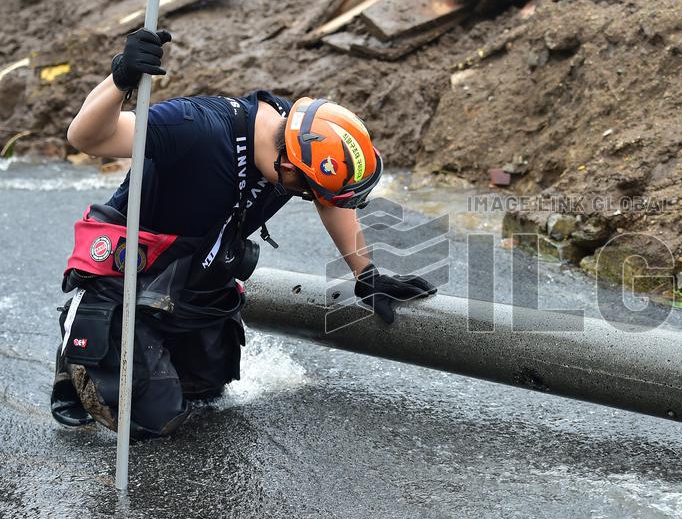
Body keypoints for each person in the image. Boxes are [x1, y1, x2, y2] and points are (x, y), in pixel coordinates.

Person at [50, 28, 436, 439]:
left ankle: (144, 354)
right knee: (154, 420)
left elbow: (330, 197)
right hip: (127, 274)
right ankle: (82, 348)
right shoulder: (194, 127)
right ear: (289, 169)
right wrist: (121, 78)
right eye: (307, 190)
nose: (311, 199)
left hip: (196, 277)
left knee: (207, 395)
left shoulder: (299, 139)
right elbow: (85, 137)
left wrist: (366, 274)